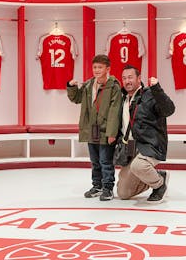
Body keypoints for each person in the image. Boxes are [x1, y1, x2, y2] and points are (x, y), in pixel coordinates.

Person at [116, 65, 175, 203]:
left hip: (150, 144)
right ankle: (158, 175)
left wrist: (157, 89)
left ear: (138, 78)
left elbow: (169, 109)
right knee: (123, 193)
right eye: (124, 78)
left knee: (139, 166)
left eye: (130, 77)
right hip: (131, 146)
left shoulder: (150, 94)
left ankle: (159, 185)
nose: (127, 81)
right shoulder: (123, 98)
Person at [67, 54, 122, 201]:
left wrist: (111, 133)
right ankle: (97, 186)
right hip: (91, 130)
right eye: (95, 67)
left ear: (107, 69)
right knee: (95, 161)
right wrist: (71, 87)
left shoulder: (114, 87)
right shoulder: (88, 85)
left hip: (105, 130)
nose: (96, 70)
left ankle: (108, 188)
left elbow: (114, 111)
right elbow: (76, 98)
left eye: (100, 67)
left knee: (106, 161)